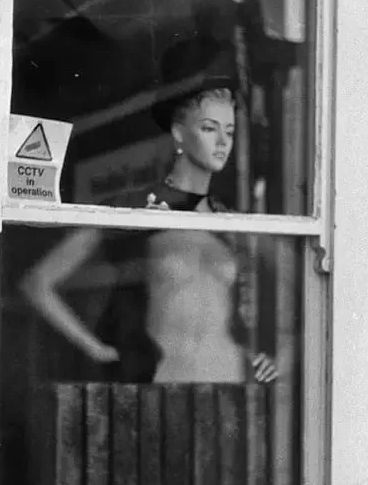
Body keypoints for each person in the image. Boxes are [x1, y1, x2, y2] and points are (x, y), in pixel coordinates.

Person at [19, 43, 278, 386]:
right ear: (178, 133)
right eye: (209, 128)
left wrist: (276, 360)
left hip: (230, 378)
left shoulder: (228, 218)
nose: (222, 142)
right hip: (163, 383)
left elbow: (304, 282)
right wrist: (98, 351)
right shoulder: (136, 208)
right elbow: (38, 284)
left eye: (229, 132)